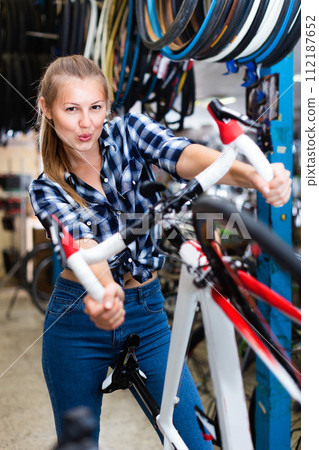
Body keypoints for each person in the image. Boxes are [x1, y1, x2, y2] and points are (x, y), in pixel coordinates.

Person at [29, 55, 291, 448]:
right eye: (71, 109)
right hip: (77, 320)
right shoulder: (45, 188)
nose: (86, 123)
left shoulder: (130, 131)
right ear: (46, 109)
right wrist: (103, 292)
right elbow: (81, 245)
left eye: (96, 108)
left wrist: (253, 175)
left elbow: (183, 155)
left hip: (147, 315)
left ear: (108, 105)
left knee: (192, 442)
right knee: (79, 444)